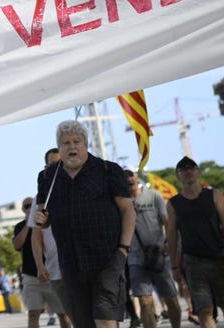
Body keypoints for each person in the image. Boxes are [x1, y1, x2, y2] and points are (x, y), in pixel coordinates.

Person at [35, 120, 135, 328]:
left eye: (76, 142)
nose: (71, 147)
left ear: (85, 144)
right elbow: (43, 217)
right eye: (65, 143)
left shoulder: (108, 170)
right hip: (71, 265)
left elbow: (128, 210)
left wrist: (123, 250)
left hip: (107, 260)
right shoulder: (47, 177)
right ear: (59, 147)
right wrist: (42, 220)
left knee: (105, 321)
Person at [165, 157, 224, 328]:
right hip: (193, 261)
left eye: (191, 168)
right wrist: (174, 266)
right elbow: (172, 235)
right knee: (204, 309)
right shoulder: (174, 203)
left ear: (198, 172)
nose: (188, 171)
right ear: (178, 175)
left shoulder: (214, 195)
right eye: (183, 170)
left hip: (219, 257)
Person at [124, 170, 183, 328]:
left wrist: (169, 244)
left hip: (159, 256)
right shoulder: (121, 202)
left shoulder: (154, 196)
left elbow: (167, 222)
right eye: (124, 176)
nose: (128, 178)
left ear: (137, 177)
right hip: (136, 259)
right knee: (144, 301)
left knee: (171, 299)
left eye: (131, 175)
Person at [16, 195, 69, 328]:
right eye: (27, 206)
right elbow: (17, 245)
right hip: (31, 276)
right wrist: (29, 223)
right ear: (23, 210)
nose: (29, 208)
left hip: (52, 272)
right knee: (33, 313)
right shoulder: (20, 226)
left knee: (63, 313)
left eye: (31, 205)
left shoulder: (47, 216)